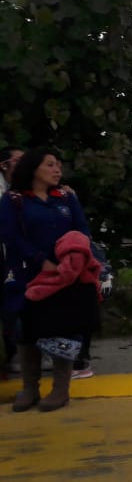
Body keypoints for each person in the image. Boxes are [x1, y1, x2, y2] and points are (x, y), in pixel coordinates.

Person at [0, 148, 96, 411]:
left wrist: (72, 260)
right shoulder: (14, 199)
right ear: (33, 169)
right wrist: (41, 261)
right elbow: (10, 236)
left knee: (62, 328)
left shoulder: (66, 197)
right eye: (51, 165)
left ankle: (60, 389)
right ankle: (30, 389)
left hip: (65, 275)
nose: (57, 170)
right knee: (26, 329)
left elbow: (81, 230)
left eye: (59, 165)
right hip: (27, 275)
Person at [0, 147, 24, 373]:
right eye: (19, 160)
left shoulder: (25, 188)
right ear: (4, 164)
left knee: (15, 304)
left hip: (17, 256)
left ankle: (18, 353)